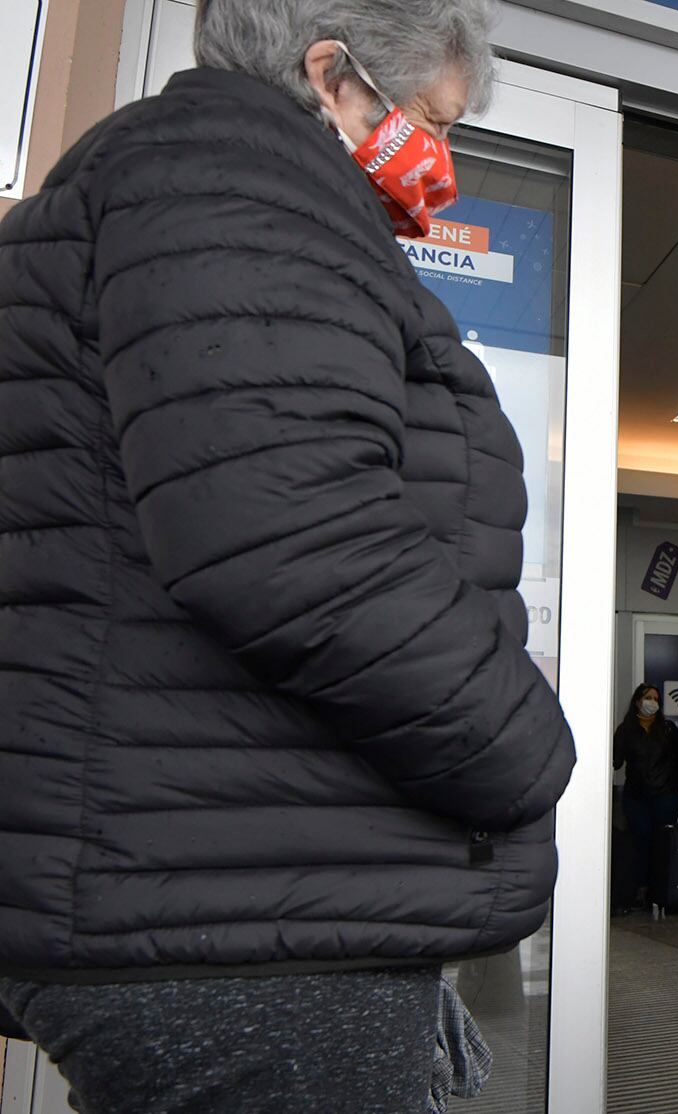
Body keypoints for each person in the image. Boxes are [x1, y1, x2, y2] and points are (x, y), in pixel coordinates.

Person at [0, 2, 576, 1112]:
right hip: (238, 922)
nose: (441, 162)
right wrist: (529, 748)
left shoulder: (197, 191)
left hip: (225, 880)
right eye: (429, 119)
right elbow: (295, 537)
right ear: (332, 77)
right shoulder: (236, 184)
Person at [613, 684, 678, 911]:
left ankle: (663, 891)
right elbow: (616, 760)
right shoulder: (625, 729)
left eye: (656, 698)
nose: (652, 702)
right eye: (648, 697)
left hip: (665, 795)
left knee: (663, 844)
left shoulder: (667, 729)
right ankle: (640, 891)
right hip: (636, 797)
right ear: (637, 701)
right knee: (639, 843)